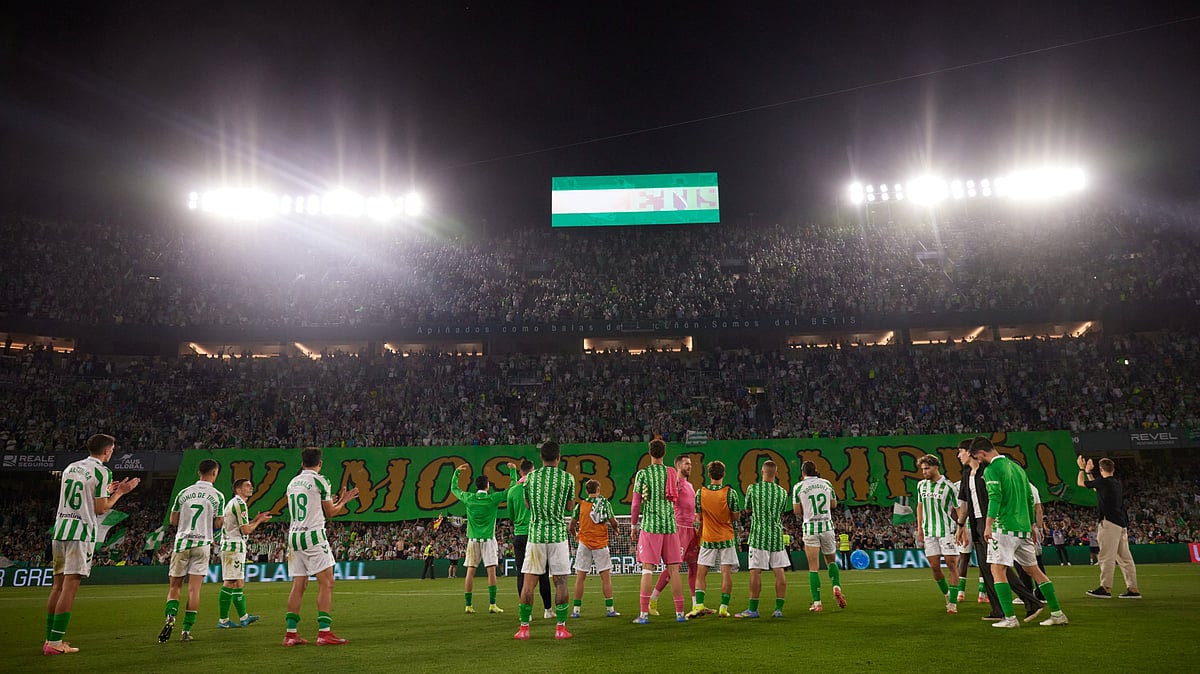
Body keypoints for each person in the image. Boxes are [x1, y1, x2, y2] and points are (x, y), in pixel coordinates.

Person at [44, 433, 140, 655]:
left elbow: (82, 493)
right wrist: (119, 493)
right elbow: (101, 509)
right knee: (70, 587)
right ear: (107, 451)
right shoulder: (103, 471)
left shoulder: (70, 467)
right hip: (81, 533)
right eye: (112, 449)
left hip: (60, 529)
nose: (112, 452)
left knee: (57, 586)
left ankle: (50, 639)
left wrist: (105, 490)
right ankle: (56, 644)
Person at [968, 437, 1068, 628]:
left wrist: (988, 525)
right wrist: (1031, 524)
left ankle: (1010, 618)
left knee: (997, 570)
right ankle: (1057, 613)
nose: (979, 461)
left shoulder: (992, 470)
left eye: (977, 457)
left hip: (1004, 527)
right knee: (1034, 570)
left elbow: (995, 498)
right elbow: (1030, 497)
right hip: (1023, 528)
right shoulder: (1017, 468)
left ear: (981, 453)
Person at [955, 440, 1045, 622]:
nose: (958, 456)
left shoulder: (988, 471)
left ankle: (1030, 602)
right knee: (987, 568)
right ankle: (999, 610)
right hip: (977, 524)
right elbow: (964, 504)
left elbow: (997, 498)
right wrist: (960, 526)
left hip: (994, 523)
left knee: (999, 567)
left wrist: (992, 523)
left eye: (960, 452)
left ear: (970, 453)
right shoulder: (966, 474)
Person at [281, 447, 359, 646]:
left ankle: (290, 634)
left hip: (294, 535)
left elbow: (308, 505)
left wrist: (331, 502)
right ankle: (324, 633)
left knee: (299, 585)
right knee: (327, 582)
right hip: (313, 536)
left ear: (302, 463)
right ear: (320, 463)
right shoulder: (321, 480)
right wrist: (344, 500)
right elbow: (331, 512)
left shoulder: (292, 482)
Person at [514, 441, 576, 640]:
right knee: (561, 582)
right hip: (557, 536)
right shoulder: (568, 478)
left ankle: (524, 629)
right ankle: (560, 628)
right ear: (558, 458)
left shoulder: (529, 479)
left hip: (536, 536)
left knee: (528, 583)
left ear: (541, 458)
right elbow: (569, 506)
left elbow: (527, 504)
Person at [159, 459, 225, 643]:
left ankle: (171, 616)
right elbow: (218, 523)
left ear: (198, 473)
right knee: (194, 590)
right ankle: (186, 631)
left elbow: (173, 520)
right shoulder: (218, 496)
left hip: (182, 543)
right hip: (202, 544)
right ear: (214, 473)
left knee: (175, 587)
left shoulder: (183, 493)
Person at [630, 437, 686, 624]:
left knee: (647, 569)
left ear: (649, 453)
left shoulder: (643, 474)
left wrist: (633, 525)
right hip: (670, 525)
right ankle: (680, 614)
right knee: (674, 570)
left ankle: (644, 614)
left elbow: (636, 503)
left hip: (651, 525)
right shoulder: (672, 473)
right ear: (664, 454)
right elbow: (675, 497)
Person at [1079, 456, 1140, 599]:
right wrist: (1089, 473)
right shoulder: (1116, 483)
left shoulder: (1103, 482)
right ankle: (1133, 589)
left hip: (1109, 523)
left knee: (1106, 556)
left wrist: (1082, 469)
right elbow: (1097, 488)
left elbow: (1080, 483)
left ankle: (1105, 588)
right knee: (1125, 558)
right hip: (1120, 523)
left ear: (1100, 469)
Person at [686, 460, 742, 618]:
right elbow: (736, 516)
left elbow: (698, 517)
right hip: (726, 537)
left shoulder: (700, 492)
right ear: (723, 474)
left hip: (708, 537)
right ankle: (724, 608)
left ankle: (699, 605)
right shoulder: (730, 493)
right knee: (726, 573)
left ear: (709, 475)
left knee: (701, 573)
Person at [450, 464, 507, 614]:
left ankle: (468, 605)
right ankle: (492, 605)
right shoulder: (492, 499)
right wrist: (513, 472)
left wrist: (457, 473)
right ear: (487, 486)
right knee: (491, 572)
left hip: (473, 540)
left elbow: (454, 489)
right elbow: (510, 490)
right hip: (488, 539)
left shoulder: (469, 498)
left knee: (470, 572)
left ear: (476, 486)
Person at [737, 460, 790, 619]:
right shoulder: (782, 492)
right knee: (779, 571)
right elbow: (781, 513)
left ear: (762, 471)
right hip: (776, 535)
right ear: (776, 473)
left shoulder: (753, 488)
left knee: (755, 572)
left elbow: (747, 509)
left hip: (759, 535)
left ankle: (753, 609)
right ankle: (778, 609)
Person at [792, 460, 846, 614]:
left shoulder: (799, 487)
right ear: (815, 470)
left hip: (810, 527)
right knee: (831, 561)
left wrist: (806, 506)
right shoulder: (827, 483)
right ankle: (836, 586)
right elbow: (834, 504)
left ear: (803, 473)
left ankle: (817, 603)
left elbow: (796, 510)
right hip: (827, 526)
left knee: (813, 568)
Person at [218, 478, 272, 629]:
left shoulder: (235, 503)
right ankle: (223, 620)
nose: (251, 487)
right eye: (247, 485)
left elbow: (243, 526)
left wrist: (256, 518)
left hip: (235, 546)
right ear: (238, 490)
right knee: (230, 582)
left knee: (238, 582)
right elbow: (246, 530)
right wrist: (259, 521)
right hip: (233, 547)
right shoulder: (240, 504)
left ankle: (244, 617)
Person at [504, 458, 553, 619]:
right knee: (543, 574)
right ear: (533, 471)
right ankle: (547, 610)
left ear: (520, 472)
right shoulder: (537, 489)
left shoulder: (512, 491)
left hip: (519, 535)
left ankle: (527, 613)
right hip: (537, 535)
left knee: (522, 574)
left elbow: (510, 515)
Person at [650, 455, 698, 615]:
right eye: (686, 463)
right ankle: (652, 600)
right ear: (678, 465)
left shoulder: (690, 485)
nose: (689, 466)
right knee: (674, 567)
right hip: (679, 529)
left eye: (690, 464)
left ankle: (696, 605)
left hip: (691, 529)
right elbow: (668, 501)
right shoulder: (675, 483)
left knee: (694, 566)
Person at [915, 454, 962, 614]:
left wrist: (962, 530)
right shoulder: (921, 485)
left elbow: (959, 509)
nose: (924, 472)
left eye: (927, 468)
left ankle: (953, 603)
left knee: (951, 564)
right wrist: (919, 528)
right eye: (922, 469)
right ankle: (947, 594)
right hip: (929, 531)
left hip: (947, 531)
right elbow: (920, 507)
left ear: (936, 467)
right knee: (934, 567)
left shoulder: (949, 486)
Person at [569, 479, 620, 618]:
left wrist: (577, 535)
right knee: (606, 578)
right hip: (600, 544)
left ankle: (576, 611)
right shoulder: (604, 503)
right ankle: (610, 609)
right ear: (598, 490)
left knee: (580, 578)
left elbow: (571, 526)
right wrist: (616, 529)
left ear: (586, 491)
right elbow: (613, 521)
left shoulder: (580, 506)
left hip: (584, 543)